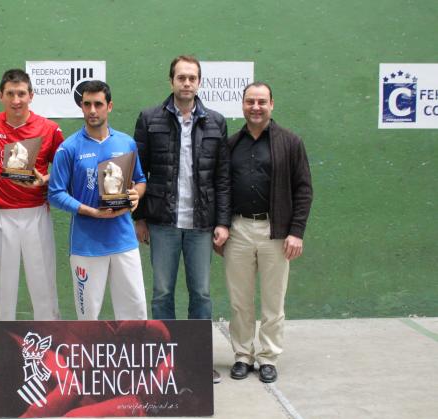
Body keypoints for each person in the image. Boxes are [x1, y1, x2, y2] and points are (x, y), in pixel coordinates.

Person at [216, 82, 313, 383]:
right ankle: (243, 355)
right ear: (242, 105)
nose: (255, 107)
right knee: (239, 300)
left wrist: (296, 231)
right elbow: (222, 188)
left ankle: (268, 357)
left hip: (277, 232)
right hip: (239, 229)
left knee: (273, 300)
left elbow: (304, 189)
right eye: (250, 102)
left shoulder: (290, 142)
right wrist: (221, 225)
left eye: (261, 102)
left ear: (272, 104)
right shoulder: (231, 144)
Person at [132, 55, 230, 321]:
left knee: (201, 292)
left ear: (199, 83)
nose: (186, 83)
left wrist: (223, 222)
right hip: (162, 222)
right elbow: (137, 172)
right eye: (181, 78)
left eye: (192, 78)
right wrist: (139, 218)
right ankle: (167, 353)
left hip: (201, 223)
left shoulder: (216, 122)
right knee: (162, 292)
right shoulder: (150, 118)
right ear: (171, 80)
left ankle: (196, 354)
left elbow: (222, 177)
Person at [48, 80, 147, 320]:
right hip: (86, 245)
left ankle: (131, 357)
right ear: (81, 106)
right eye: (87, 104)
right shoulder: (68, 148)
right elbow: (55, 193)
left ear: (109, 106)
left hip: (124, 240)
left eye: (98, 104)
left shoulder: (126, 143)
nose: (92, 110)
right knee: (88, 315)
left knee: (135, 312)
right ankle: (87, 358)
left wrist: (136, 194)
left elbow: (140, 179)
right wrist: (90, 211)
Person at [0, 69, 63, 321]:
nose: (16, 100)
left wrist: (44, 180)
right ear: (0, 96)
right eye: (10, 94)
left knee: (43, 283)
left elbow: (68, 170)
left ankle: (50, 346)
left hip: (36, 214)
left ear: (31, 95)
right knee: (1, 288)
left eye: (21, 94)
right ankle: (2, 350)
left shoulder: (49, 128)